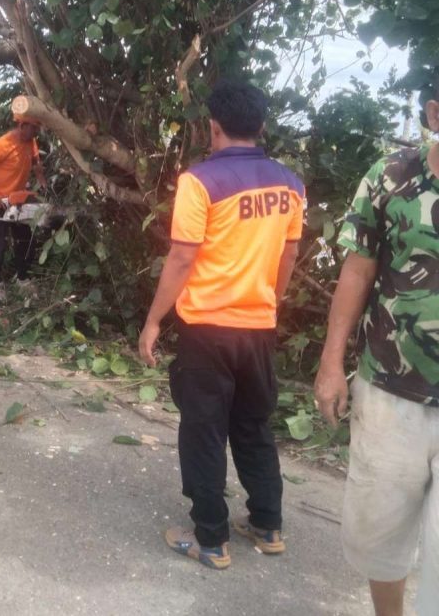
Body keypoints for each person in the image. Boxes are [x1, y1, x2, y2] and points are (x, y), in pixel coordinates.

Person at [138, 78, 304, 570]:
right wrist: (270, 299)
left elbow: (182, 259)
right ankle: (267, 524)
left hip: (207, 329)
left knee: (204, 432)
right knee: (254, 425)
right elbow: (289, 253)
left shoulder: (200, 181)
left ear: (213, 128)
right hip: (258, 326)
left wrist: (152, 322)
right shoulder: (289, 183)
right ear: (262, 126)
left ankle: (210, 538)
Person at [314, 80, 439, 616]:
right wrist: (330, 364)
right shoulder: (393, 176)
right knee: (377, 540)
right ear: (435, 112)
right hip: (390, 391)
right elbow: (359, 269)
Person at [0, 113, 46, 298]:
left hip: (18, 201)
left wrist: (41, 179)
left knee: (26, 243)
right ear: (22, 125)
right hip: (0, 203)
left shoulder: (31, 141)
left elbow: (36, 161)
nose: (36, 131)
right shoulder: (3, 145)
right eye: (33, 127)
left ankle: (22, 279)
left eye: (38, 128)